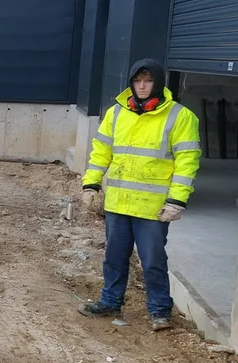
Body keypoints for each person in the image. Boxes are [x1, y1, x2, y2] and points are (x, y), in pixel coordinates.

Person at [79, 59, 201, 331]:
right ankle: (110, 301)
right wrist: (91, 184)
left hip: (152, 208)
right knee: (114, 257)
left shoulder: (180, 116)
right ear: (131, 83)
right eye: (137, 80)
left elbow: (187, 161)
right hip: (118, 204)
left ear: (158, 83)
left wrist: (177, 200)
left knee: (153, 260)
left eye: (148, 80)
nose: (142, 86)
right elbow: (101, 152)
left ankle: (160, 311)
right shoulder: (116, 113)